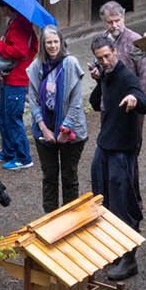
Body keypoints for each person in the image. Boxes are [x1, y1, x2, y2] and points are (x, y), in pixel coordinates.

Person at [88, 32, 146, 281]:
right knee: (102, 200)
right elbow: (95, 103)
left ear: (115, 52)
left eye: (107, 55)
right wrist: (97, 81)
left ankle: (129, 258)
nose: (105, 61)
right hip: (105, 145)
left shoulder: (125, 77)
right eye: (100, 58)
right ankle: (113, 250)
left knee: (123, 203)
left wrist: (135, 100)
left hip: (122, 150)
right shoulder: (106, 75)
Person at [26, 25, 88, 212]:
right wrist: (44, 128)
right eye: (48, 43)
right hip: (45, 128)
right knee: (49, 176)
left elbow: (76, 103)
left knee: (69, 176)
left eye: (55, 42)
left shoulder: (70, 64)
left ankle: (70, 216)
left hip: (71, 131)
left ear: (61, 42)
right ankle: (50, 217)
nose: (52, 46)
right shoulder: (36, 67)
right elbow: (33, 100)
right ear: (42, 45)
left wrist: (65, 129)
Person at [0, 13, 36, 171]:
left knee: (13, 118)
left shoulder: (20, 25)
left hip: (17, 78)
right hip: (11, 76)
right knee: (5, 116)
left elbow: (20, 51)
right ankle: (9, 151)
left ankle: (23, 157)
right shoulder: (20, 23)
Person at [99, 1, 146, 95]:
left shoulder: (135, 40)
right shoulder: (102, 39)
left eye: (117, 20)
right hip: (109, 95)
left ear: (123, 18)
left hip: (130, 94)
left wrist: (141, 100)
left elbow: (145, 72)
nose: (114, 25)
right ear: (103, 22)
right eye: (110, 22)